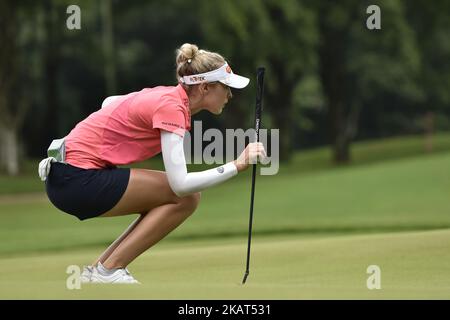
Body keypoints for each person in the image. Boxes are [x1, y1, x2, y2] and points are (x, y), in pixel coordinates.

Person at [38, 43, 267, 284]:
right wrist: (237, 165)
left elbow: (110, 102)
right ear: (206, 87)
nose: (230, 95)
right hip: (77, 180)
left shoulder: (164, 96)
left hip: (65, 177)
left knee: (169, 197)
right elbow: (181, 185)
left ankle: (99, 270)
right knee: (187, 197)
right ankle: (110, 269)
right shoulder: (172, 107)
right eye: (226, 87)